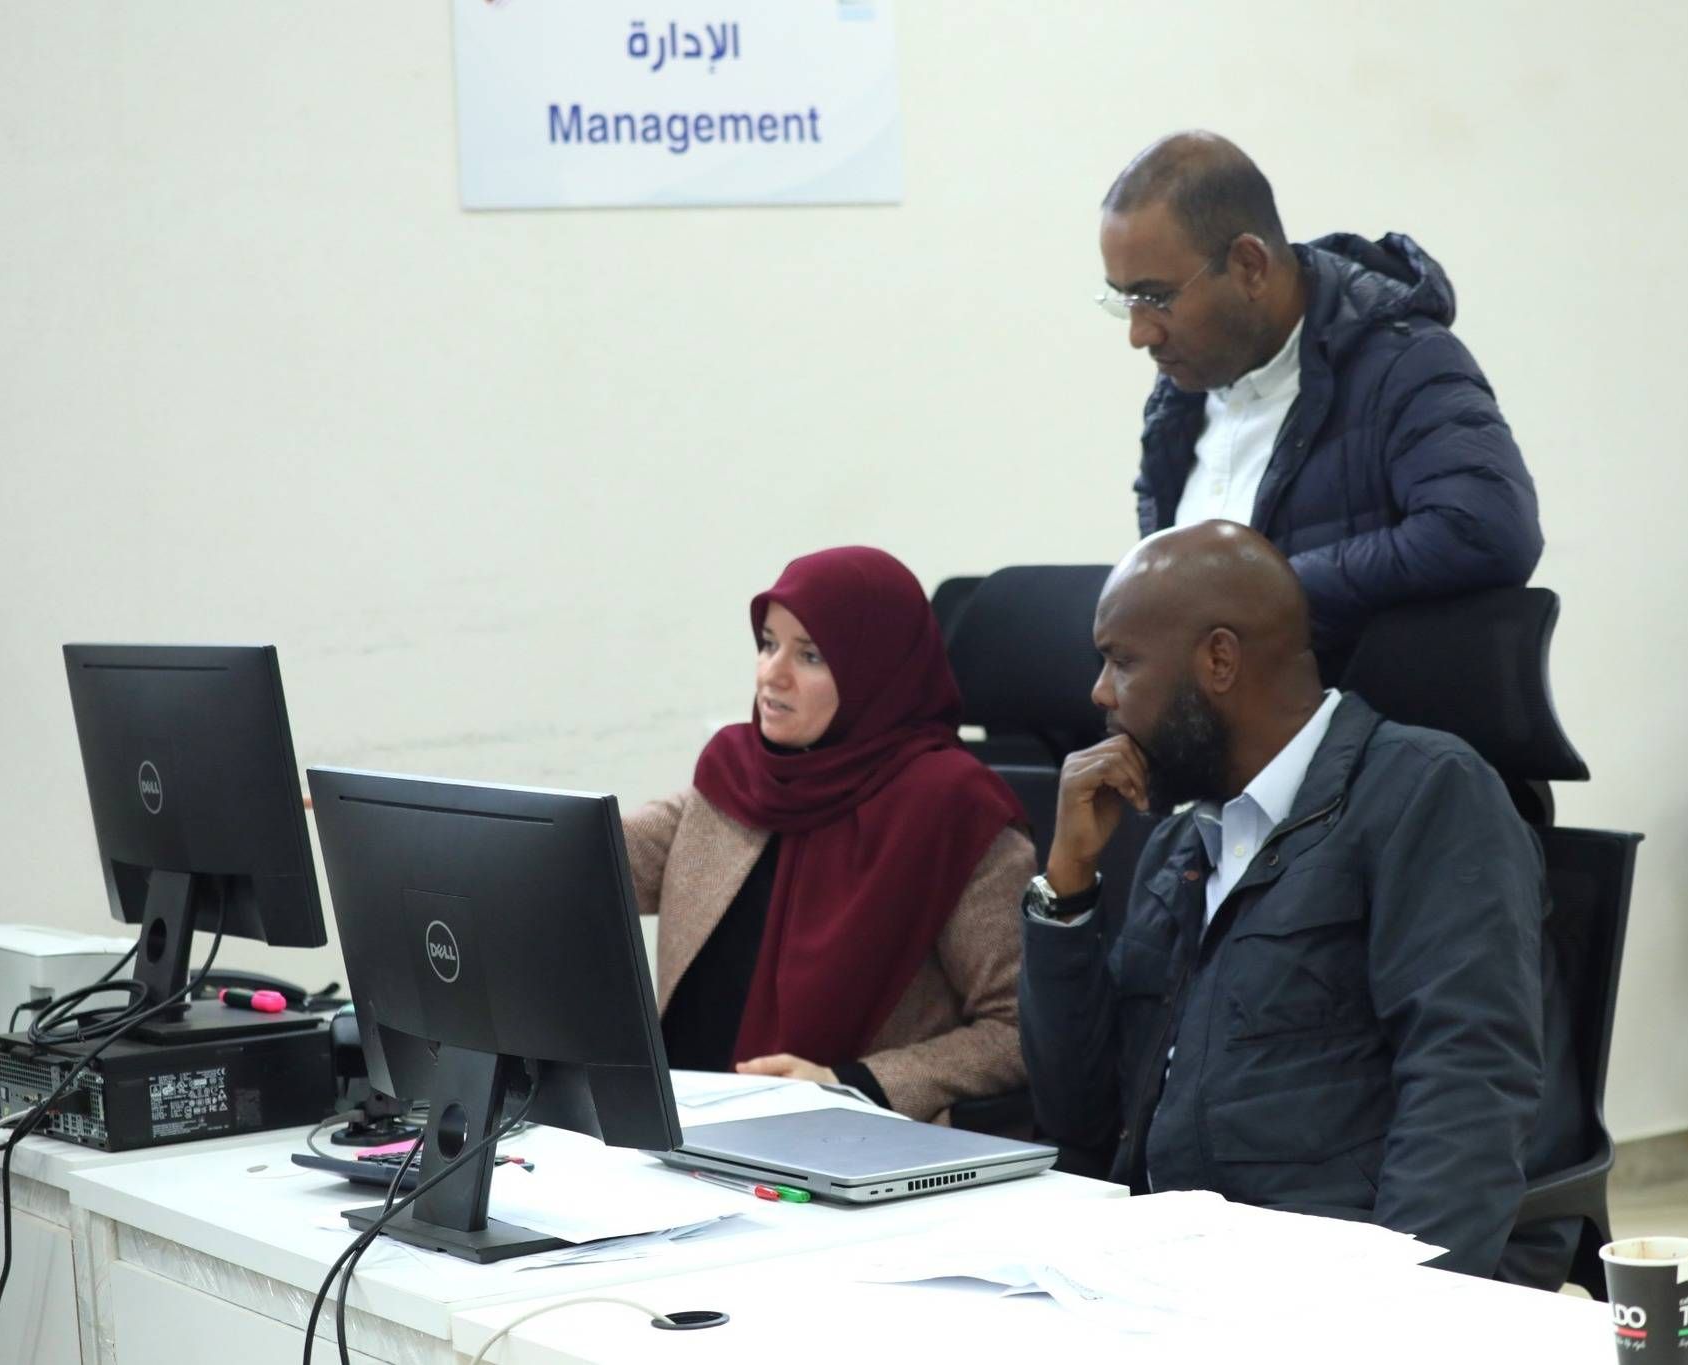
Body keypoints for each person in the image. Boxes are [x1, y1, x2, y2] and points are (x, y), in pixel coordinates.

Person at [1017, 521, 1572, 1285]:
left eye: (1122, 660)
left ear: (1219, 660)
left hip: (1333, 1276)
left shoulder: (1425, 794)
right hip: (1166, 1265)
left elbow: (1466, 1086)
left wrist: (1401, 1304)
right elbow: (1078, 1117)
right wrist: (1069, 882)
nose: (1100, 693)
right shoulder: (1181, 844)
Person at [1098, 130, 1543, 680]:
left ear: (1249, 266)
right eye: (1125, 300)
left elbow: (1485, 530)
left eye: (1157, 297)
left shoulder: (1403, 362)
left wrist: (1255, 593)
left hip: (1365, 729)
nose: (1139, 334)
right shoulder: (1178, 396)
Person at [622, 546, 1034, 1124]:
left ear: (876, 672)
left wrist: (848, 1085)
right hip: (678, 1131)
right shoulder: (739, 775)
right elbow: (593, 859)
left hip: (849, 1144)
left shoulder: (956, 811)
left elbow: (1020, 1029)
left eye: (811, 656)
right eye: (768, 644)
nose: (772, 674)